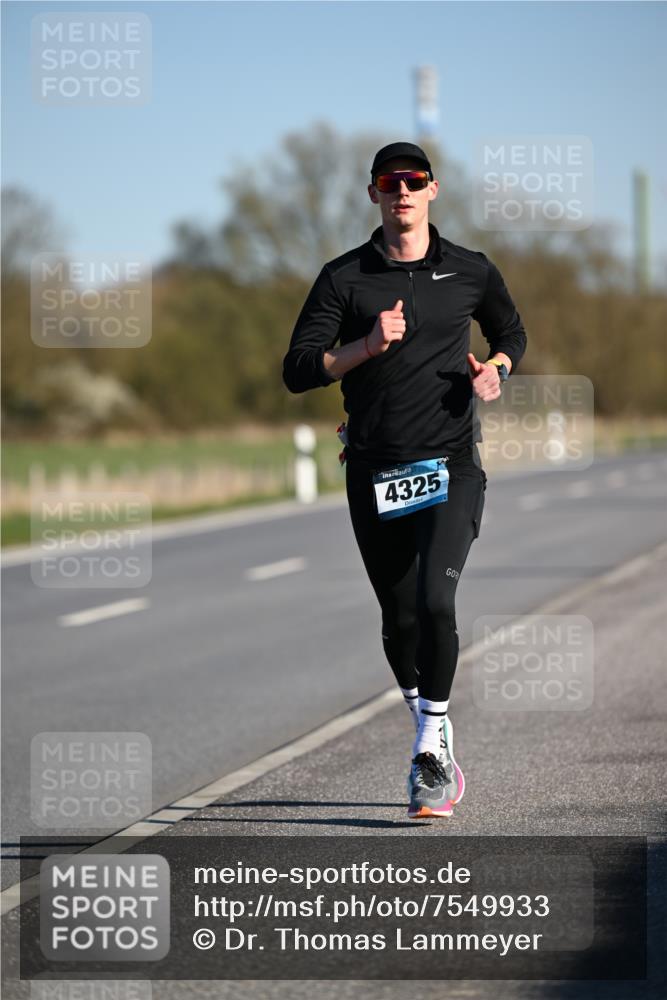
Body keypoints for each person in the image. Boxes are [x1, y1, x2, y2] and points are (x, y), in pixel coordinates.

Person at [282, 141, 527, 818]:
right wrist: (364, 346)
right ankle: (434, 725)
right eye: (389, 183)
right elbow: (299, 368)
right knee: (397, 618)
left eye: (413, 181)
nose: (402, 192)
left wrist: (496, 371)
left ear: (432, 190)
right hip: (374, 468)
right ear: (372, 195)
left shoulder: (469, 271)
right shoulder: (344, 279)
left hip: (450, 463)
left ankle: (428, 749)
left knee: (435, 601)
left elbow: (510, 330)